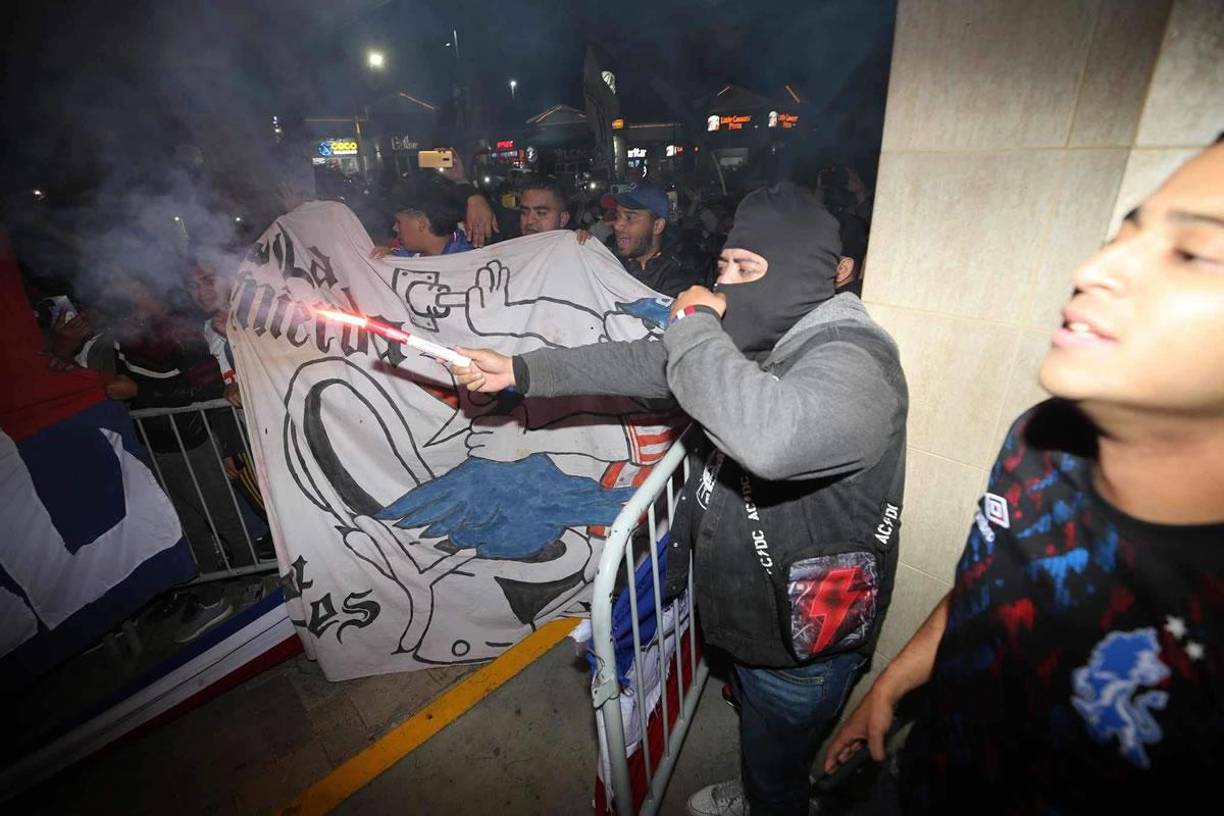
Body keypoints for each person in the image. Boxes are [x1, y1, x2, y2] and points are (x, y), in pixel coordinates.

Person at [454, 183, 909, 816]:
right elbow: (649, 361)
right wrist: (517, 371)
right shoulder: (763, 332)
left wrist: (697, 324)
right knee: (757, 728)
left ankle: (768, 796)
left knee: (780, 767)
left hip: (804, 637)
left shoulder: (855, 361)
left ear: (812, 275)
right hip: (753, 610)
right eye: (724, 266)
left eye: (747, 269)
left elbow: (770, 440)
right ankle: (757, 784)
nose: (726, 284)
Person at [824, 137, 1224, 813]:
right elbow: (990, 581)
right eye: (1123, 232)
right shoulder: (1039, 438)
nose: (1096, 267)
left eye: (1192, 254)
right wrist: (890, 685)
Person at [582, 180, 710, 298]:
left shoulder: (680, 278)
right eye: (617, 216)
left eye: (629, 217)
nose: (617, 225)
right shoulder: (608, 261)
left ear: (657, 226)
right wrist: (579, 243)